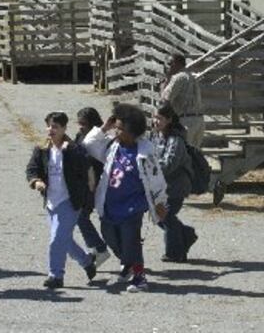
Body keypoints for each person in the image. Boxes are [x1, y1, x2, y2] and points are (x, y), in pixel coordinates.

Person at [81, 103, 168, 293]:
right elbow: (89, 144)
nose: (117, 131)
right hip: (110, 204)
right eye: (116, 127)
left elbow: (156, 179)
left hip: (132, 207)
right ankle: (127, 263)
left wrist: (160, 202)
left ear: (133, 131)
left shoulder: (145, 152)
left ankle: (139, 276)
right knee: (110, 236)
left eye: (121, 128)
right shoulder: (112, 146)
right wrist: (105, 127)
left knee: (131, 241)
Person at [26, 112, 97, 289]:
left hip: (69, 201)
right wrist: (36, 181)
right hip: (51, 201)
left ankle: (55, 275)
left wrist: (88, 194)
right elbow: (32, 168)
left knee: (57, 239)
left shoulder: (72, 149)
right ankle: (87, 261)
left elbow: (87, 169)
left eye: (55, 127)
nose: (51, 130)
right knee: (63, 239)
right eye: (49, 126)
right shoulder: (42, 149)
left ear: (64, 129)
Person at [152, 102, 198, 263]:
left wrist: (151, 171)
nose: (156, 121)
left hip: (175, 186)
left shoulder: (175, 139)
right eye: (155, 117)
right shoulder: (156, 136)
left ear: (169, 120)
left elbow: (169, 164)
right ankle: (186, 234)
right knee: (161, 216)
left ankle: (175, 252)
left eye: (160, 118)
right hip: (161, 186)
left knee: (166, 216)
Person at [74, 107, 110, 267]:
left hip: (93, 184)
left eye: (84, 124)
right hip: (81, 185)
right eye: (79, 123)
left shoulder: (102, 139)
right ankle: (96, 247)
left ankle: (100, 248)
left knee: (81, 217)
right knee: (81, 217)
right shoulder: (79, 136)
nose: (81, 127)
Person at [161, 53, 204, 147]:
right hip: (199, 120)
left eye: (169, 63)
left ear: (177, 63)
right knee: (194, 155)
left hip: (186, 121)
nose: (168, 66)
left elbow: (165, 99)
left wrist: (166, 80)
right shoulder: (192, 76)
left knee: (183, 154)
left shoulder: (178, 77)